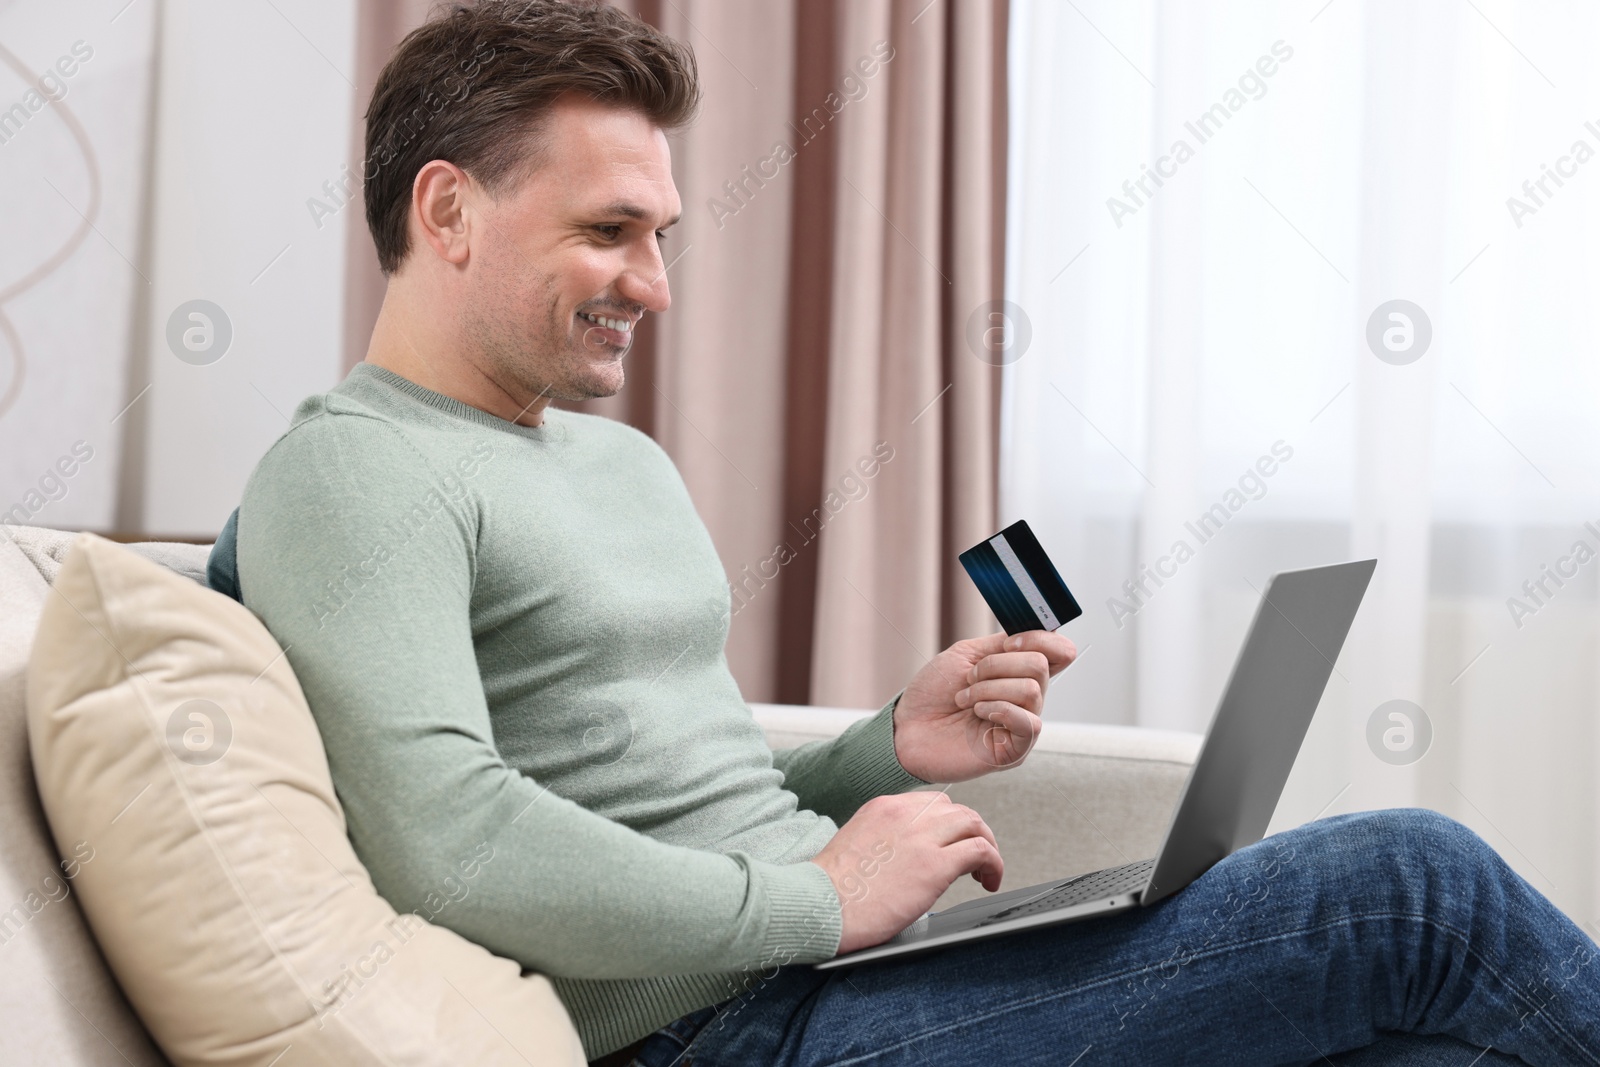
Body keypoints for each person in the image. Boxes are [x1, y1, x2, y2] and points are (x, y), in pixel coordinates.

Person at [209, 2, 1600, 1063]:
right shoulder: (353, 477)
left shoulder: (615, 462)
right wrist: (826, 901)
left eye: (665, 234)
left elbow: (679, 781)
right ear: (448, 208)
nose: (655, 284)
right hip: (723, 1032)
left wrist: (886, 748)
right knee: (1416, 883)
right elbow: (448, 842)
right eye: (610, 232)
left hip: (837, 973)